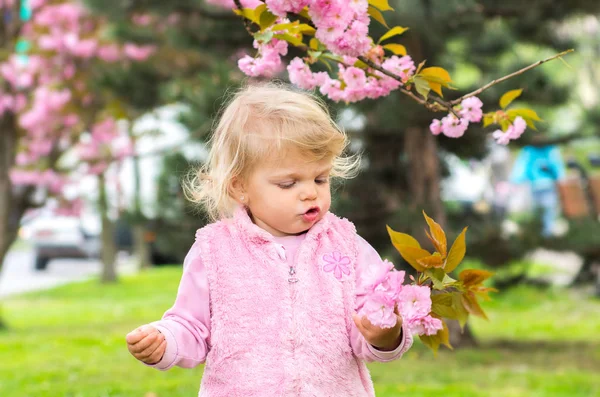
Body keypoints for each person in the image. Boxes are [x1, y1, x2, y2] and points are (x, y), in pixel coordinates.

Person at [125, 82, 413, 397]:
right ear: (239, 187)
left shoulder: (345, 245)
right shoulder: (216, 252)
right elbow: (192, 326)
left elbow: (370, 322)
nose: (310, 192)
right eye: (288, 183)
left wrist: (386, 333)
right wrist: (165, 340)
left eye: (320, 178)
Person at [509, 144, 566, 237]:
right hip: (544, 185)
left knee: (542, 209)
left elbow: (521, 168)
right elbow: (557, 168)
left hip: (541, 185)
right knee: (546, 209)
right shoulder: (548, 149)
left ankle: (544, 233)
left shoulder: (530, 150)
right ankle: (545, 233)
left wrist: (516, 181)